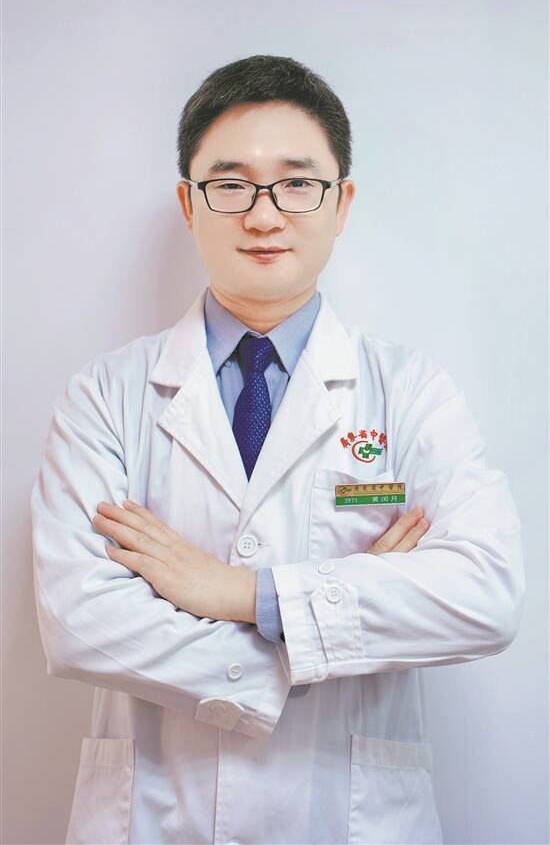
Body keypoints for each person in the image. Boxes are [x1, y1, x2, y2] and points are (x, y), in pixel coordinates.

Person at [31, 54, 526, 845]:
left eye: (298, 184)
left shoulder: (410, 392)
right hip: (157, 819)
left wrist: (241, 592)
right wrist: (322, 632)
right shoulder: (107, 398)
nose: (264, 216)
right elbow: (80, 620)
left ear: (342, 203)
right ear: (190, 205)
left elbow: (485, 593)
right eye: (231, 185)